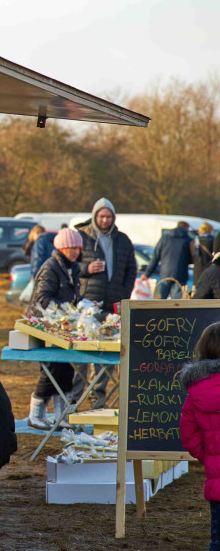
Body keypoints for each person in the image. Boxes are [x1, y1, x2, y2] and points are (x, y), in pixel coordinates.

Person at [72, 198, 137, 407]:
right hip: (87, 304)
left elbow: (131, 269)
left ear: (114, 217)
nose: (105, 220)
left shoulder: (123, 240)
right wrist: (87, 269)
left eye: (108, 216)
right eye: (101, 215)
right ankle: (73, 397)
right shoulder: (82, 237)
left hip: (112, 305)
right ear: (94, 216)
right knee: (81, 351)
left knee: (106, 352)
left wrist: (123, 292)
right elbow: (71, 265)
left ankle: (97, 397)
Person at [26, 228, 84, 430]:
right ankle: (35, 415)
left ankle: (63, 416)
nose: (75, 251)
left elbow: (74, 296)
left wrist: (83, 306)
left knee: (66, 370)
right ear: (61, 247)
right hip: (44, 327)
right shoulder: (51, 267)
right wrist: (65, 310)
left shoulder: (73, 268)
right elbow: (43, 298)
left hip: (63, 328)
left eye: (77, 247)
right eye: (71, 247)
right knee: (52, 370)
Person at [178, 321, 220, 551]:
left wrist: (209, 456)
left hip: (217, 480)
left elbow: (189, 435)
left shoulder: (195, 390)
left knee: (217, 541)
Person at [140, 221, 193, 299]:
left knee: (162, 299)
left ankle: (162, 311)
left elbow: (155, 257)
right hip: (181, 275)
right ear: (186, 229)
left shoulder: (164, 238)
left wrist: (147, 273)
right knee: (177, 302)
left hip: (165, 274)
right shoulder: (188, 240)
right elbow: (192, 258)